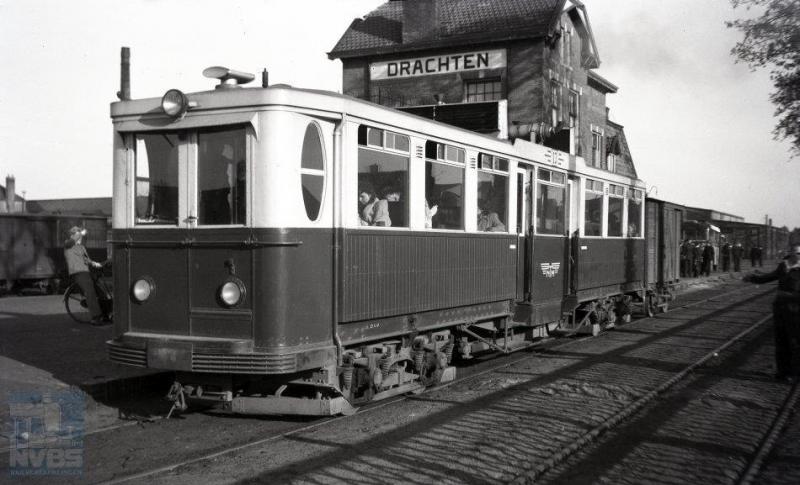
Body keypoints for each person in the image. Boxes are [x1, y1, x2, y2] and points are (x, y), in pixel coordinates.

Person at [743, 244, 800, 381]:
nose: (796, 255)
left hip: (796, 309)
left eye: (799, 253)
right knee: (781, 341)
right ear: (790, 253)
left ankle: (794, 373)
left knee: (795, 341)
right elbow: (770, 277)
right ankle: (782, 373)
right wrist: (752, 278)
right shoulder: (784, 266)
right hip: (780, 308)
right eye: (795, 252)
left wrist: (791, 296)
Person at [64, 226, 107, 325]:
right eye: (77, 235)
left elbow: (87, 260)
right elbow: (71, 241)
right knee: (90, 293)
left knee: (100, 292)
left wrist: (96, 264)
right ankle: (96, 317)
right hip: (78, 272)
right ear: (72, 235)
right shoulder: (68, 245)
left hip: (86, 272)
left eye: (80, 236)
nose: (80, 238)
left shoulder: (82, 247)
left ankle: (105, 314)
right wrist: (80, 233)